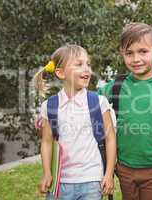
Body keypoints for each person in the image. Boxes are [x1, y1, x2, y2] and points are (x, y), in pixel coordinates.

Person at [98, 22, 152, 200]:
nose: (136, 59)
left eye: (143, 52)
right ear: (122, 53)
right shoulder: (115, 86)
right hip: (124, 168)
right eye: (129, 53)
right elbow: (86, 101)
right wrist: (51, 113)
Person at [34, 44, 116, 200]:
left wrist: (109, 173)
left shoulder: (99, 102)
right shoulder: (50, 106)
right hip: (59, 181)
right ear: (61, 73)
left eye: (88, 64)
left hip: (91, 179)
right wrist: (47, 173)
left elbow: (110, 138)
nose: (87, 69)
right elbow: (46, 142)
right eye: (79, 64)